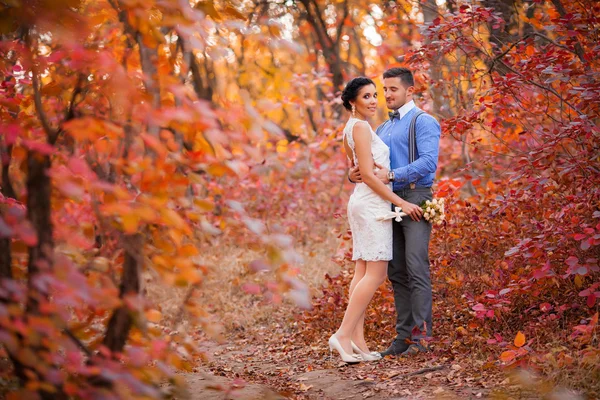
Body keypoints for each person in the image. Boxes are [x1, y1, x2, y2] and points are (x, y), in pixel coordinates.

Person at [329, 77, 423, 363]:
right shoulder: (359, 127)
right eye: (366, 97)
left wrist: (354, 174)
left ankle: (357, 339)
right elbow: (368, 175)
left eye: (374, 95)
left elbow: (356, 169)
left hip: (364, 202)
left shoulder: (353, 129)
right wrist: (402, 202)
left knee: (361, 270)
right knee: (377, 273)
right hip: (372, 206)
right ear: (352, 103)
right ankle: (343, 335)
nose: (373, 101)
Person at [349, 68, 441, 356]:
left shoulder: (423, 122)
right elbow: (369, 168)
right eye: (384, 89)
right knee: (396, 271)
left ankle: (421, 339)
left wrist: (390, 174)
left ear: (410, 91)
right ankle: (403, 338)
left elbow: (428, 163)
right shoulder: (382, 128)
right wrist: (356, 175)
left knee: (415, 267)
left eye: (393, 89)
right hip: (386, 202)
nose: (386, 95)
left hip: (415, 198)